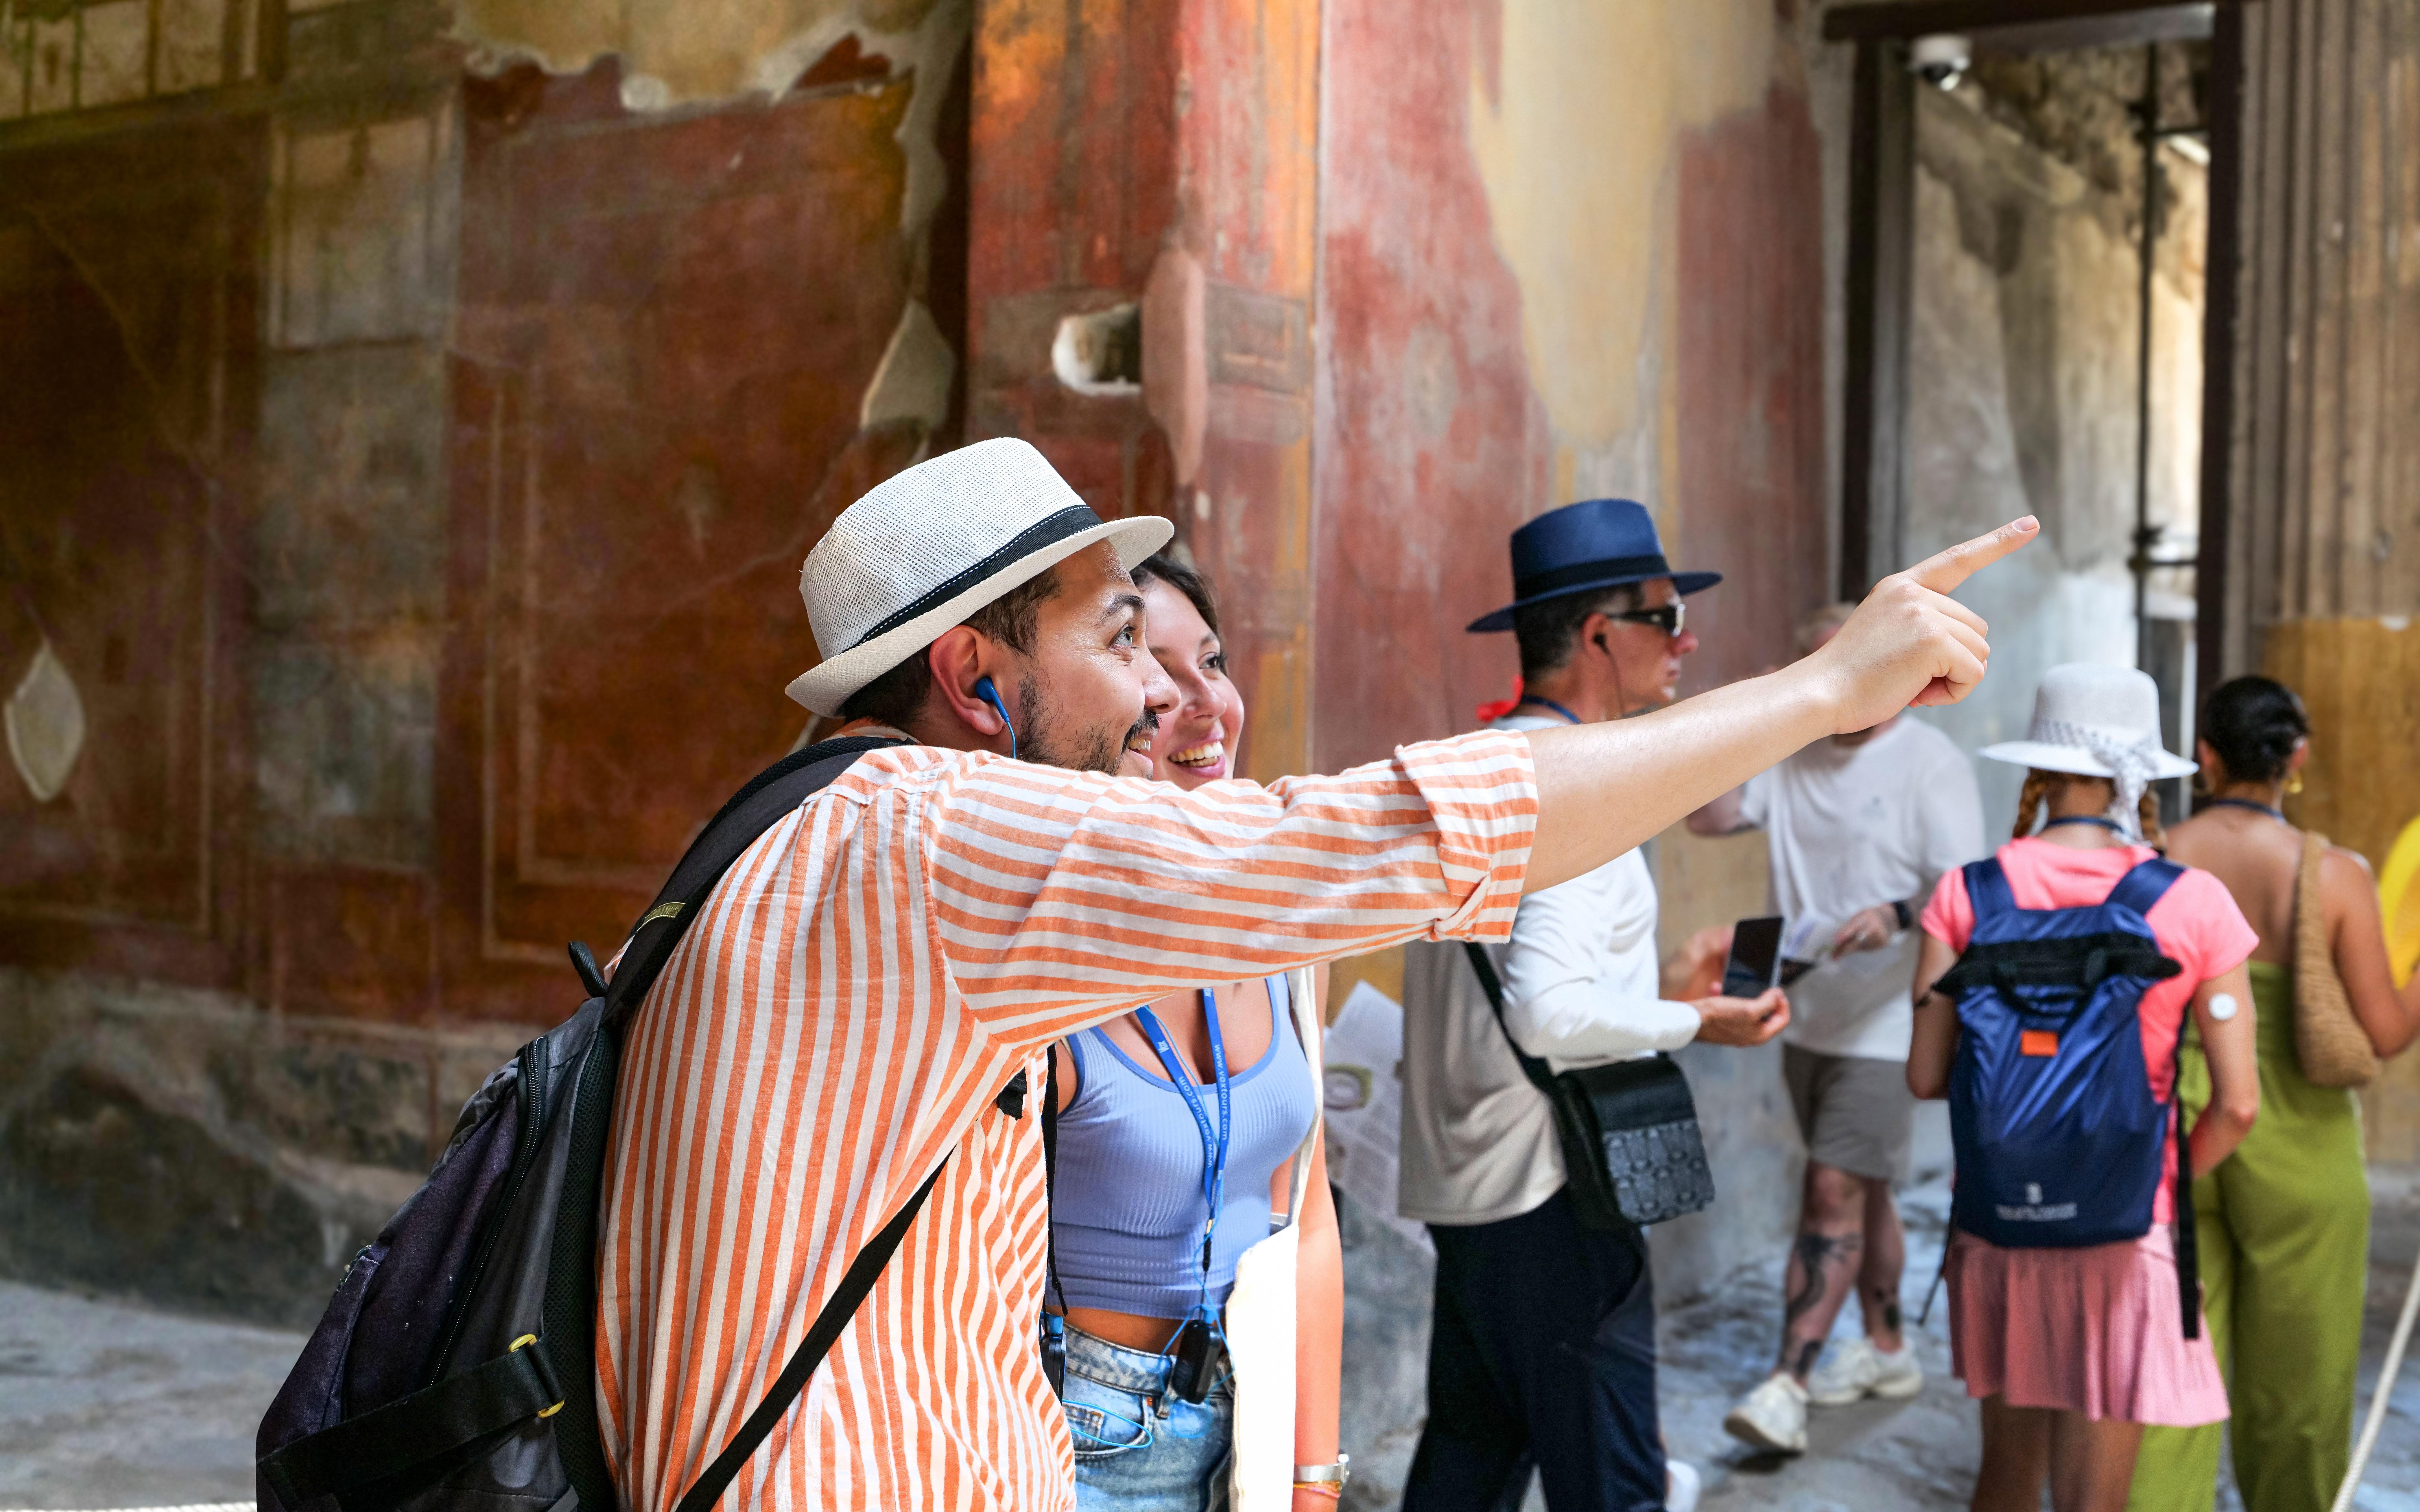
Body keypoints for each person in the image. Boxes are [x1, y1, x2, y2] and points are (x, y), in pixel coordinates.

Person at [593, 435, 2039, 1512]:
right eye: (1118, 642)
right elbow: (1376, 840)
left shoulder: (797, 824)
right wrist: (1825, 692)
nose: (1166, 695)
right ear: (976, 680)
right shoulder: (933, 829)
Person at [1396, 498, 1793, 1512]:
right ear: (1599, 635)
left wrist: (1658, 991)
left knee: (1471, 1463)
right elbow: (1545, 1015)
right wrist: (1700, 1020)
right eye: (1664, 617)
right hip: (1554, 1198)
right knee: (1612, 1482)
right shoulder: (1576, 794)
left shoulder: (1478, 772)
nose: (1685, 640)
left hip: (1472, 1187)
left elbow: (1529, 984)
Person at [1907, 664, 2261, 1512]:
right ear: (2143, 772)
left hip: (1999, 1227)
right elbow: (2240, 1103)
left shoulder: (1968, 892)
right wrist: (2159, 1189)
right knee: (2095, 1502)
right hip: (2128, 1233)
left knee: (2002, 1483)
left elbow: (1926, 1077)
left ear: (2037, 767)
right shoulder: (2193, 902)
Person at [1044, 549, 1344, 1511]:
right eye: (1153, 669)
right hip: (1071, 1433)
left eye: (1211, 662)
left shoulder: (1289, 928)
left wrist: (1314, 1480)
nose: (1204, 702)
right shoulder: (1039, 953)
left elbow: (1310, 1222)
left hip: (1243, 1417)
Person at [1688, 601, 1986, 1453]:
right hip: (1807, 1008)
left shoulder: (1930, 764)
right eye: (1822, 672)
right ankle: (1890, 1350)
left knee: (1830, 1190)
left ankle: (1789, 1383)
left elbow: (1962, 892)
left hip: (1893, 1018)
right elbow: (1705, 816)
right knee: (1867, 1187)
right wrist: (1760, 712)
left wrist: (1896, 914)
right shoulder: (1791, 759)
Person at [2127, 676, 2420, 1512]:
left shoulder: (2153, 863)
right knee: (2302, 1377)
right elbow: (2387, 1032)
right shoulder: (2336, 877)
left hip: (2172, 1130)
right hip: (2304, 1146)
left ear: (2206, 757)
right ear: (2297, 758)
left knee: (2170, 1366)